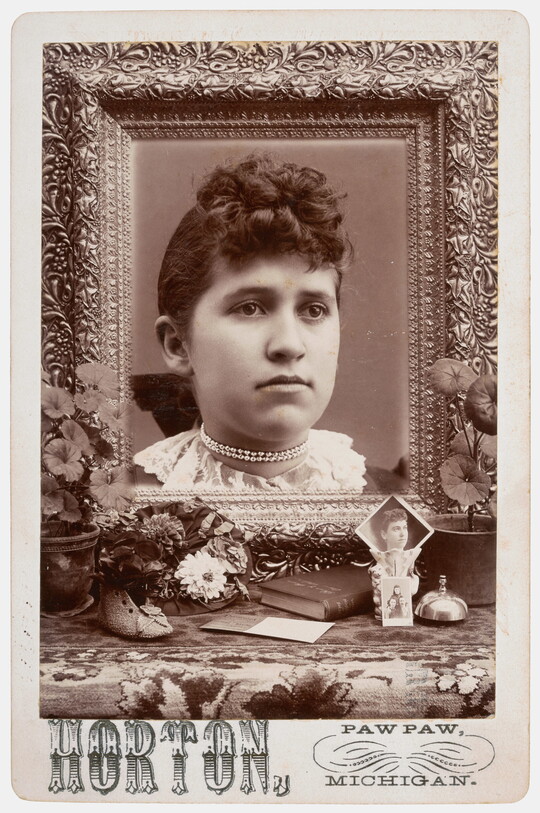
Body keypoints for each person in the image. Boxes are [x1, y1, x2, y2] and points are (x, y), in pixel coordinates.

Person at [134, 154, 367, 491]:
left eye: (314, 310)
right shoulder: (126, 504)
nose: (289, 345)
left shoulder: (385, 496)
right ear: (177, 345)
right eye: (250, 308)